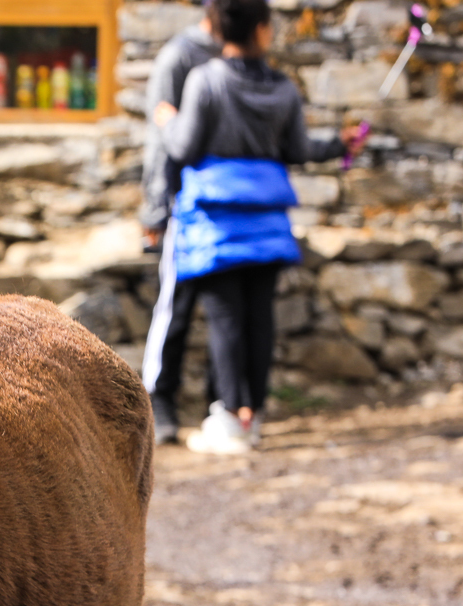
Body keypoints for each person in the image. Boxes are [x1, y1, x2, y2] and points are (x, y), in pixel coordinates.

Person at [161, 0, 367, 455]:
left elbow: (184, 146)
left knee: (226, 319)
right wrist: (340, 143)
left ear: (219, 27)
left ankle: (231, 418)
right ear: (263, 30)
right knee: (260, 317)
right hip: (267, 221)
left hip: (218, 221)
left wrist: (165, 119)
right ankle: (253, 415)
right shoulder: (283, 88)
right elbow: (297, 149)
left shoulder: (206, 81)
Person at [139, 5, 220, 445]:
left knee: (225, 312)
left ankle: (220, 404)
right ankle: (160, 400)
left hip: (224, 204)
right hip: (182, 206)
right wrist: (155, 209)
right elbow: (161, 140)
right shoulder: (180, 57)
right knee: (177, 304)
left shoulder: (237, 56)